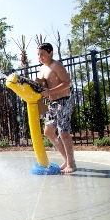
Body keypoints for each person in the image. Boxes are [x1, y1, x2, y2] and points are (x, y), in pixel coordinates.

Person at [37, 43, 76, 173]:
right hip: (53, 103)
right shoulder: (42, 69)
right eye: (38, 54)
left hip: (64, 100)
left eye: (42, 54)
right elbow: (42, 87)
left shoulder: (56, 65)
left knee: (63, 132)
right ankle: (66, 159)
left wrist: (49, 92)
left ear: (50, 52)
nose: (40, 57)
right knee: (48, 132)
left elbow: (67, 83)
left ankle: (71, 163)